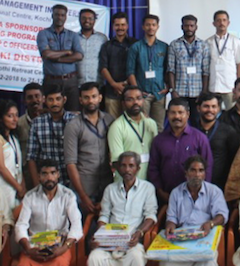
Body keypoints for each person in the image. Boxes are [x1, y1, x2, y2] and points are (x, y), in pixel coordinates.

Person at [84, 152, 158, 266]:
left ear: (138, 169)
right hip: (110, 241)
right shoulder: (110, 189)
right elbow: (103, 216)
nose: (127, 170)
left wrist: (139, 233)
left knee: (136, 258)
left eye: (131, 166)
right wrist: (99, 236)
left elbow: (151, 216)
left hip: (132, 241)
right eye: (123, 166)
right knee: (95, 258)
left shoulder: (147, 189)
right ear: (117, 168)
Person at [156, 155, 229, 266]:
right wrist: (170, 225)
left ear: (205, 173)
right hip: (183, 237)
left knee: (208, 261)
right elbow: (172, 217)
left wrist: (211, 223)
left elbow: (222, 215)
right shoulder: (176, 192)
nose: (197, 174)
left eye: (201, 171)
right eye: (193, 170)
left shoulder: (214, 191)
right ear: (186, 173)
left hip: (205, 235)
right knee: (167, 264)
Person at [14, 158, 84, 266]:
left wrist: (64, 248)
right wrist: (28, 249)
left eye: (52, 173)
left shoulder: (68, 196)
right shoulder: (30, 196)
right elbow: (21, 225)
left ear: (58, 175)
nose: (49, 178)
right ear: (38, 176)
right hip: (35, 245)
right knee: (25, 264)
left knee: (58, 264)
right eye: (44, 174)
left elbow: (76, 226)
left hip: (60, 245)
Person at [149, 98, 214, 203]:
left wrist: (201, 192)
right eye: (173, 113)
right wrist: (160, 191)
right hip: (165, 196)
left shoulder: (200, 138)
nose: (177, 117)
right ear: (167, 114)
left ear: (188, 114)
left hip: (194, 197)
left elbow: (208, 166)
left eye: (180, 113)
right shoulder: (159, 140)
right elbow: (153, 167)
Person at [64, 82, 114, 217]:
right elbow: (70, 164)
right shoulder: (73, 126)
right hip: (84, 189)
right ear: (80, 100)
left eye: (93, 96)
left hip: (107, 186)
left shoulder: (109, 120)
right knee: (83, 232)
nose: (90, 100)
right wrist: (83, 196)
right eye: (86, 97)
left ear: (100, 98)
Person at [36, 4, 84, 110]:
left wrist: (57, 58)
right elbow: (46, 54)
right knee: (50, 113)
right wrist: (66, 52)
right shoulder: (43, 34)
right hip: (51, 81)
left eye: (62, 15)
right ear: (52, 16)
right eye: (57, 14)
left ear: (66, 17)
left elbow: (79, 55)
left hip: (70, 81)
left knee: (73, 113)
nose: (60, 17)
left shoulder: (73, 35)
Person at [126, 13, 170, 128]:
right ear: (143, 27)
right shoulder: (135, 47)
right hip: (142, 95)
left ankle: (158, 147)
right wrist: (137, 91)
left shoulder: (164, 47)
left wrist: (168, 87)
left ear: (157, 27)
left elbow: (168, 69)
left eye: (153, 25)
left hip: (159, 94)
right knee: (142, 126)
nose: (151, 27)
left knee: (159, 127)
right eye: (148, 25)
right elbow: (130, 71)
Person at [108, 86, 159, 181]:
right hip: (127, 185)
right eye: (130, 99)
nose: (135, 102)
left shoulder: (151, 124)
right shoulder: (117, 126)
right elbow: (117, 161)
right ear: (123, 103)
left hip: (149, 183)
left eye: (139, 98)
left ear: (143, 101)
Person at [28, 85, 74, 188]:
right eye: (51, 100)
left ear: (64, 99)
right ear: (44, 100)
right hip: (46, 182)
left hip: (72, 181)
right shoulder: (37, 123)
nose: (54, 103)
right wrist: (37, 186)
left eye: (58, 99)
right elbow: (31, 157)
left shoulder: (75, 121)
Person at [196, 92, 240, 189]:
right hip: (195, 184)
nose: (210, 110)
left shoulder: (228, 131)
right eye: (206, 106)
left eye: (214, 106)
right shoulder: (192, 131)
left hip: (220, 186)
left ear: (219, 109)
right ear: (198, 108)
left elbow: (234, 160)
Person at [167, 14, 212, 114]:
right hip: (180, 92)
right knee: (180, 120)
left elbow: (206, 71)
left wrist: (204, 92)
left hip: (197, 92)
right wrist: (173, 90)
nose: (189, 28)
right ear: (182, 27)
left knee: (197, 122)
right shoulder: (174, 44)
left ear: (196, 27)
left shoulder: (203, 45)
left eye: (192, 26)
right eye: (186, 26)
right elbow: (171, 70)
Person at [0, 99, 25, 207]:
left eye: (16, 115)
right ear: (0, 118)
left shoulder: (13, 138)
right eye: (10, 116)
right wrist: (18, 187)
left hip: (14, 186)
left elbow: (18, 166)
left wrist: (21, 186)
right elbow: (1, 168)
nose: (15, 119)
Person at [99, 12, 137, 118]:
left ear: (127, 26)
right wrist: (114, 84)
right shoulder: (107, 46)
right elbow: (103, 68)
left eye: (123, 25)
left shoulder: (135, 44)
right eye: (117, 25)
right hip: (112, 91)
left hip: (131, 91)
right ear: (113, 27)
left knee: (131, 122)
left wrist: (126, 82)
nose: (120, 28)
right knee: (112, 124)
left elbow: (139, 66)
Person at [207, 10, 240, 110]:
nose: (221, 23)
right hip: (213, 86)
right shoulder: (208, 42)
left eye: (224, 20)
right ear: (214, 23)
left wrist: (239, 87)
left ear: (228, 23)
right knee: (212, 115)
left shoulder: (235, 41)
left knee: (233, 114)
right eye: (218, 20)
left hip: (230, 87)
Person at [17, 82, 44, 183]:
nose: (34, 100)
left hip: (50, 174)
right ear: (24, 101)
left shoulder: (52, 121)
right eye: (30, 97)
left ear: (43, 98)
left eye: (37, 96)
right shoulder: (18, 124)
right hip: (26, 175)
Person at [77, 8, 108, 85]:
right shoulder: (73, 38)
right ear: (79, 19)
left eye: (90, 18)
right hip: (77, 83)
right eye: (84, 18)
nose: (87, 21)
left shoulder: (102, 38)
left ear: (94, 20)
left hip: (97, 82)